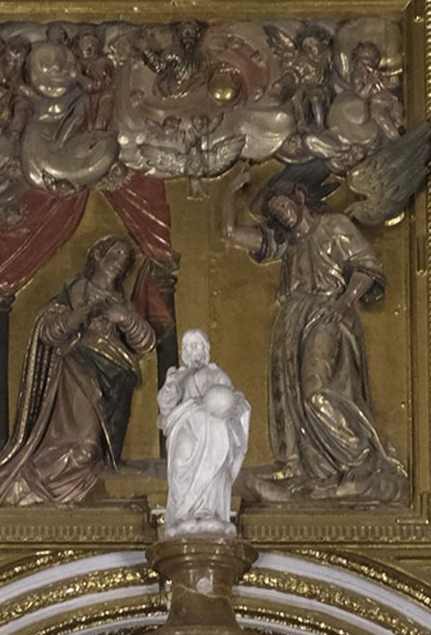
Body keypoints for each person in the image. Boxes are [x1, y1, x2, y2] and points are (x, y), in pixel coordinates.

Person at [224, 172, 405, 504]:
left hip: (326, 313)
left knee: (316, 391)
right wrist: (231, 194)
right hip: (292, 319)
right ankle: (303, 467)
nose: (281, 214)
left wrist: (344, 302)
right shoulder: (288, 242)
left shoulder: (334, 226)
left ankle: (361, 459)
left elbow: (367, 267)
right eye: (275, 212)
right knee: (288, 397)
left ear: (299, 197)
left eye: (281, 205)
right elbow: (232, 234)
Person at [0, 233, 155, 508]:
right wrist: (78, 315)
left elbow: (145, 343)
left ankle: (53, 485)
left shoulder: (120, 301)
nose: (122, 263)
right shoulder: (74, 292)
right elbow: (48, 331)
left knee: (93, 449)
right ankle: (35, 484)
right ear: (98, 255)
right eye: (117, 254)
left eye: (127, 259)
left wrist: (124, 318)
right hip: (77, 372)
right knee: (83, 449)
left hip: (115, 378)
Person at [157, 328, 250, 534]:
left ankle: (207, 509)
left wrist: (230, 407)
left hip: (212, 422)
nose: (193, 349)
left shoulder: (217, 374)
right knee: (182, 460)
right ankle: (183, 513)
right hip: (184, 423)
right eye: (189, 345)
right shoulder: (179, 376)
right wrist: (171, 386)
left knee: (214, 458)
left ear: (205, 348)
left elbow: (233, 400)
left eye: (197, 344)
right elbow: (166, 406)